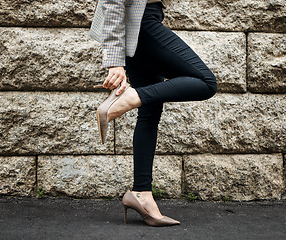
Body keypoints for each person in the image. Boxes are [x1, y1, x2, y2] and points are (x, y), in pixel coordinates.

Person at [90, 0, 217, 227]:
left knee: (149, 112)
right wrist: (114, 62)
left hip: (144, 21)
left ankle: (142, 193)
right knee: (206, 82)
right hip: (141, 22)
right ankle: (131, 97)